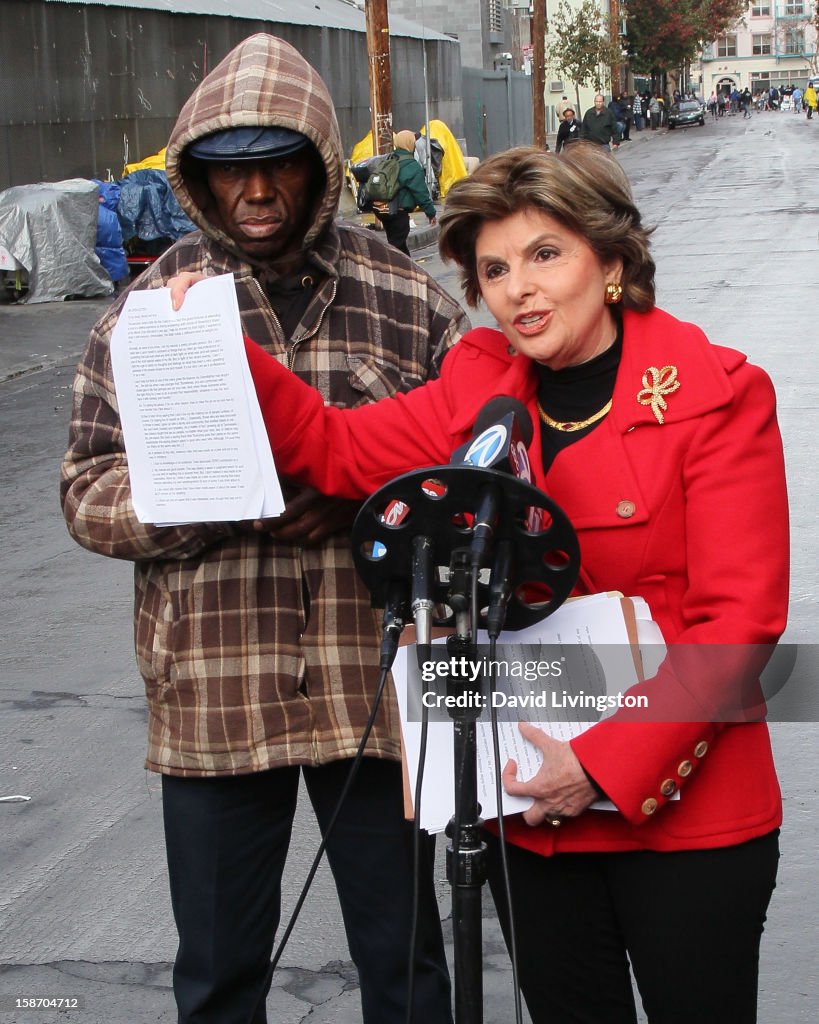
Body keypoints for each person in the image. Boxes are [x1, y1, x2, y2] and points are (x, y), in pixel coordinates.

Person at [170, 141, 788, 1024]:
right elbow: (334, 447)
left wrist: (600, 766)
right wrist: (224, 346)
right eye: (493, 269)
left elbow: (738, 624)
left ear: (610, 263)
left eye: (545, 255)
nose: (517, 289)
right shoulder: (480, 386)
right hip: (529, 812)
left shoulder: (715, 394)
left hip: (680, 815)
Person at [60, 33, 468, 1024]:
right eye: (228, 168)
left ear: (320, 164)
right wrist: (192, 502)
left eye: (275, 162)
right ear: (198, 175)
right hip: (212, 689)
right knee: (219, 974)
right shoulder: (146, 315)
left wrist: (374, 502)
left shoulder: (407, 297)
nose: (252, 189)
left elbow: (466, 472)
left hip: (364, 685)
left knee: (406, 964)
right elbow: (85, 489)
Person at [373, 129, 438, 256]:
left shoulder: (389, 159)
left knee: (397, 245)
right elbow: (421, 193)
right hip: (398, 212)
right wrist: (431, 213)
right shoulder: (410, 165)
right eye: (413, 142)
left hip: (382, 210)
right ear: (409, 143)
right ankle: (399, 272)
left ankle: (404, 271)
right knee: (398, 249)